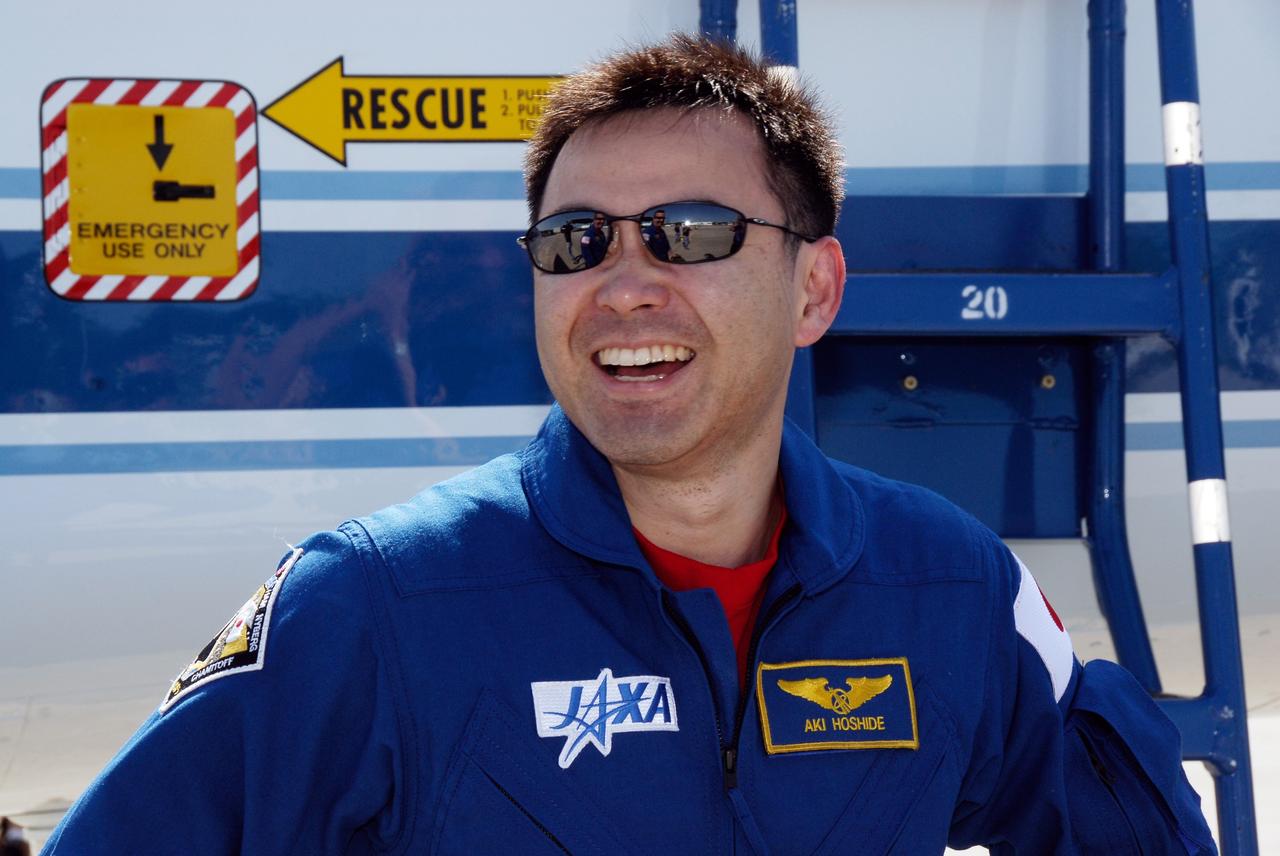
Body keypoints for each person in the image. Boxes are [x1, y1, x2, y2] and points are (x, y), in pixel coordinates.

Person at [44, 35, 1217, 855]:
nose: (621, 285)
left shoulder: (944, 587)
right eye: (574, 242)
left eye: (687, 233)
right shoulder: (374, 609)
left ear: (815, 289)